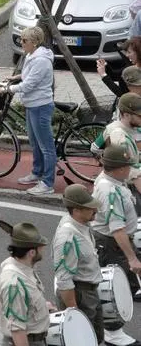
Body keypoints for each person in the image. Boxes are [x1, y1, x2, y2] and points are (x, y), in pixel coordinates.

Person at [90, 143, 141, 346]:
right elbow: (117, 229)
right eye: (128, 166)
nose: (130, 169)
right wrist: (132, 258)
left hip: (115, 242)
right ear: (120, 169)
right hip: (112, 244)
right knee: (115, 288)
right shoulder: (109, 190)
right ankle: (112, 332)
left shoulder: (112, 180)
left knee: (123, 285)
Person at [0, 26, 55, 195]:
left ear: (35, 42)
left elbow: (29, 85)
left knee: (46, 147)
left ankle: (48, 183)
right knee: (35, 143)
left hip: (40, 106)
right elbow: (28, 75)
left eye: (24, 40)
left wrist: (6, 90)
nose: (21, 43)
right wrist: (16, 77)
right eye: (21, 39)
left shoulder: (41, 60)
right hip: (32, 105)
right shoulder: (31, 55)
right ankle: (37, 173)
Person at [52, 184, 104, 345]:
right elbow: (64, 280)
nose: (95, 210)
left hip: (89, 291)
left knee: (96, 337)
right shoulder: (68, 237)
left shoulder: (81, 225)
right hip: (80, 294)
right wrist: (75, 315)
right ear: (76, 210)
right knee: (82, 340)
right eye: (89, 208)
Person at [0, 221, 50, 346]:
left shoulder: (18, 266)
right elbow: (17, 329)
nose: (43, 248)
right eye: (40, 246)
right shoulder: (14, 284)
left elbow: (25, 300)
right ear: (32, 252)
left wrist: (42, 307)